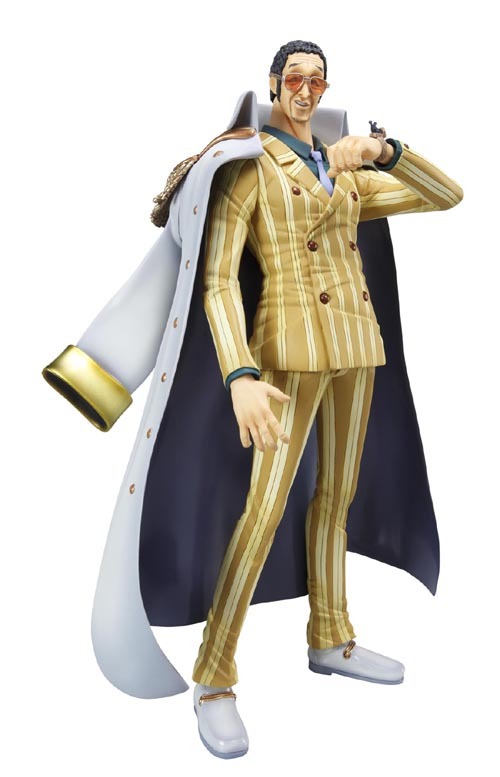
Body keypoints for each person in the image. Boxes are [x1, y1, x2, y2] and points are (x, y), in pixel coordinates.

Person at [191, 39, 463, 758]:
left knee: (337, 496)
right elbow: (218, 279)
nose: (306, 90)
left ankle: (330, 634)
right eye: (294, 78)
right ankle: (214, 675)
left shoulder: (343, 171)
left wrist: (383, 149)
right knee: (264, 509)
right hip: (287, 353)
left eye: (317, 79)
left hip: (355, 345)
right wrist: (239, 374)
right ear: (273, 85)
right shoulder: (249, 165)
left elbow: (446, 195)